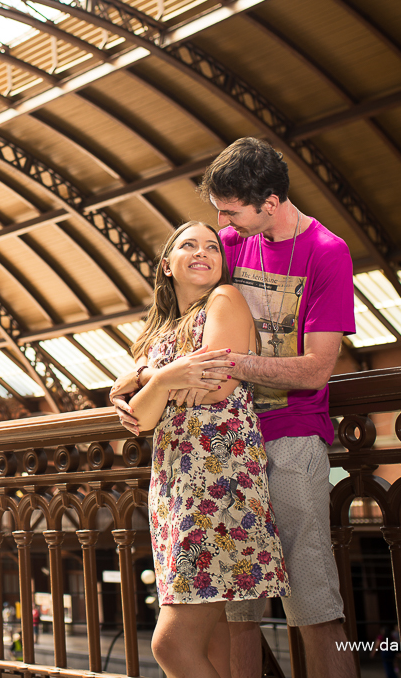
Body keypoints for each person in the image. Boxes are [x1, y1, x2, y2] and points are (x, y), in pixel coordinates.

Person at [112, 138, 356, 678]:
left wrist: (220, 365)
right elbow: (175, 318)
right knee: (236, 611)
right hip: (219, 454)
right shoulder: (227, 242)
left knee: (314, 608)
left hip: (291, 435)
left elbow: (316, 368)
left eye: (230, 211)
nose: (219, 224)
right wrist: (142, 373)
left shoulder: (326, 251)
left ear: (269, 202)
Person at [117, 220, 289, 678]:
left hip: (218, 479)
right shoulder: (160, 334)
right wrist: (171, 377)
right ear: (167, 265)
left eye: (212, 246)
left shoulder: (224, 299)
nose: (203, 252)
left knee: (171, 646)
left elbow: (214, 387)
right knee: (213, 647)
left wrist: (153, 381)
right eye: (188, 245)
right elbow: (142, 419)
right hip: (175, 484)